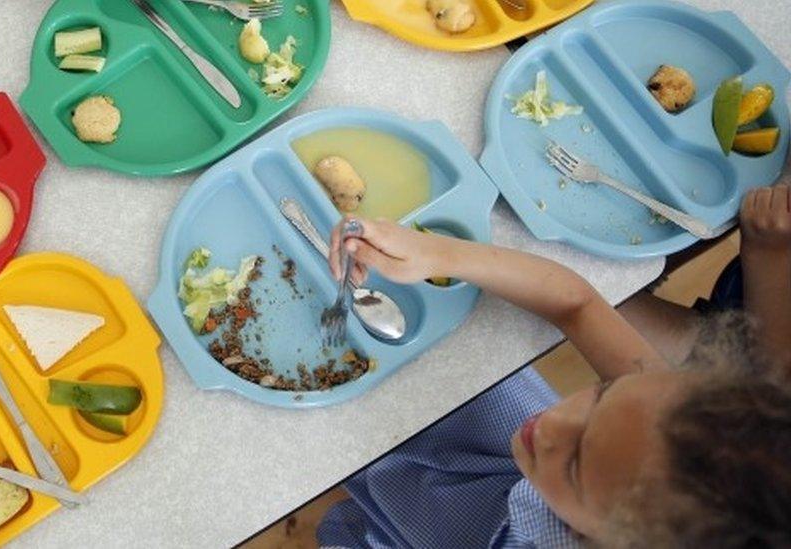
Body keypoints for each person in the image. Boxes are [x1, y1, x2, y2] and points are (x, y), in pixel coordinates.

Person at [317, 185, 791, 548]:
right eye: (603, 392)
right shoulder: (652, 427)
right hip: (506, 475)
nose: (553, 423)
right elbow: (577, 304)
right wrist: (439, 255)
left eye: (577, 459)